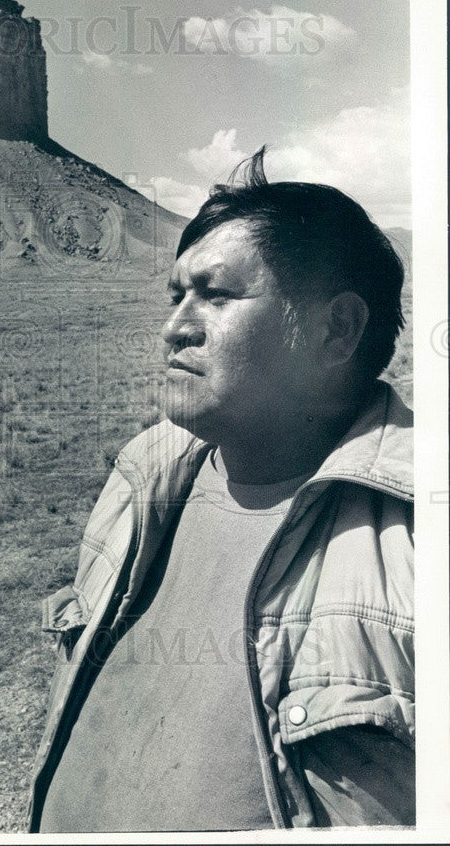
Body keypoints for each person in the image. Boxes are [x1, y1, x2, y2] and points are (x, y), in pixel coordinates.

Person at [28, 148, 414, 831]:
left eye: (215, 294)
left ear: (336, 329)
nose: (173, 326)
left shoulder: (417, 541)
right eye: (176, 295)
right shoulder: (142, 479)